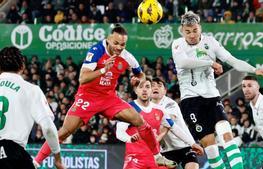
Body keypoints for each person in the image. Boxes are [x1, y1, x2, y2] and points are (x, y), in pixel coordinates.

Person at [34, 24, 175, 167]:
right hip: (87, 96)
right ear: (108, 39)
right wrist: (103, 70)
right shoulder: (96, 51)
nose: (119, 47)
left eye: (123, 44)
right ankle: (36, 161)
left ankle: (157, 156)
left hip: (109, 98)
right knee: (64, 132)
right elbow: (82, 78)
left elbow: (141, 74)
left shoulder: (127, 56)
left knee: (139, 120)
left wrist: (139, 79)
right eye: (116, 43)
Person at [171, 11, 263, 169]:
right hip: (191, 101)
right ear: (182, 31)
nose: (191, 35)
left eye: (195, 30)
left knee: (226, 133)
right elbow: (183, 62)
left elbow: (232, 60)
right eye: (187, 31)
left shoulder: (211, 42)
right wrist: (209, 63)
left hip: (212, 97)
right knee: (210, 148)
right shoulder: (177, 44)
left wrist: (254, 69)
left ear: (200, 28)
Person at [116, 78, 203, 169]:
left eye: (148, 87)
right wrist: (129, 139)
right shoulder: (128, 108)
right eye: (141, 87)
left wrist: (192, 143)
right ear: (136, 90)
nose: (145, 90)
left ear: (150, 91)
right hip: (136, 157)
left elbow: (172, 126)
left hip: (164, 153)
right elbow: (119, 132)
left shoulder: (161, 109)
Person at [0, 46, 64, 169]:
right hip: (11, 153)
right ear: (22, 67)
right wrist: (57, 158)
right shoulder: (30, 90)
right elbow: (49, 128)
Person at [151, 77, 200, 169]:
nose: (155, 87)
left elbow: (168, 123)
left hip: (184, 145)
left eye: (159, 85)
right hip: (166, 150)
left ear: (165, 91)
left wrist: (156, 138)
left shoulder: (170, 104)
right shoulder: (146, 107)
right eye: (152, 85)